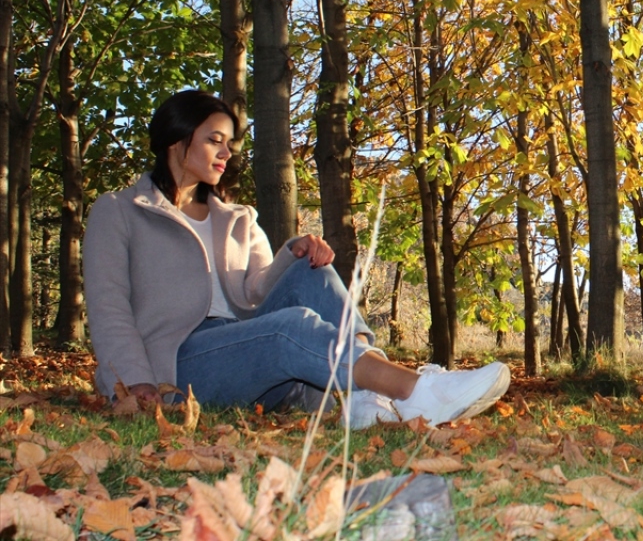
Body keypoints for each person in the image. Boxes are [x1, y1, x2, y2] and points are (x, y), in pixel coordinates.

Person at [84, 90, 509, 428]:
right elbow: (109, 308)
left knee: (314, 271)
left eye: (229, 143)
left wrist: (293, 253)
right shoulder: (120, 210)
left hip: (248, 347)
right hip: (179, 366)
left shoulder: (237, 218)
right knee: (288, 329)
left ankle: (364, 398)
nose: (225, 152)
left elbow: (254, 292)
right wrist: (135, 381)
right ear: (177, 140)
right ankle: (415, 390)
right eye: (214, 139)